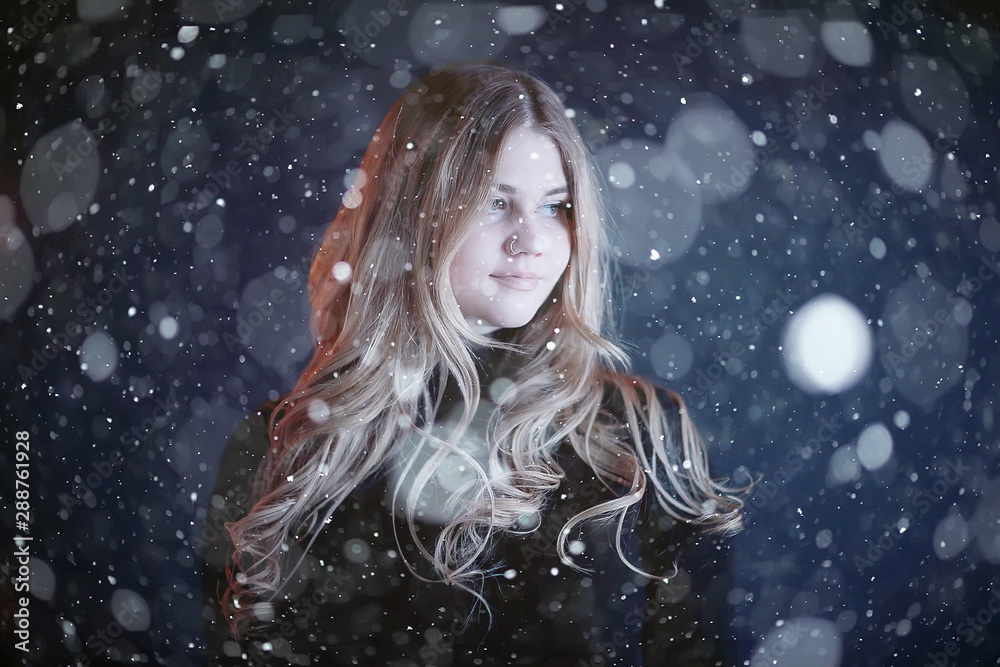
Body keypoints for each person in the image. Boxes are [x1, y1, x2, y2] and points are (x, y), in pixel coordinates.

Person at [200, 63, 744, 666]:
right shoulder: (283, 446)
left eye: (555, 206)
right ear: (412, 213)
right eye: (494, 202)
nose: (530, 240)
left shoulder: (641, 435)